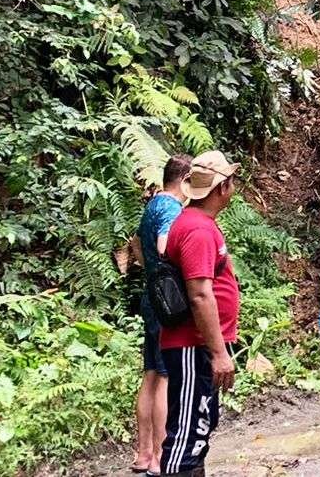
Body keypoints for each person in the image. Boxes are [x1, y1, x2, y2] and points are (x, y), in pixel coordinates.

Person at [159, 150, 242, 477]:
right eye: (231, 182)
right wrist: (219, 353)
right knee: (186, 436)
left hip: (196, 345)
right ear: (221, 188)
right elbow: (199, 294)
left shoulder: (198, 223)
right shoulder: (198, 229)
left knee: (199, 427)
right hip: (193, 345)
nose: (233, 188)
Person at [132, 155, 190, 475]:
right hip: (168, 304)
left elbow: (138, 245)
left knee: (151, 375)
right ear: (182, 180)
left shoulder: (152, 205)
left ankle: (142, 454)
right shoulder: (171, 208)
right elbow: (165, 244)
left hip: (151, 298)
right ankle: (159, 456)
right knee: (166, 377)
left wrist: (151, 271)